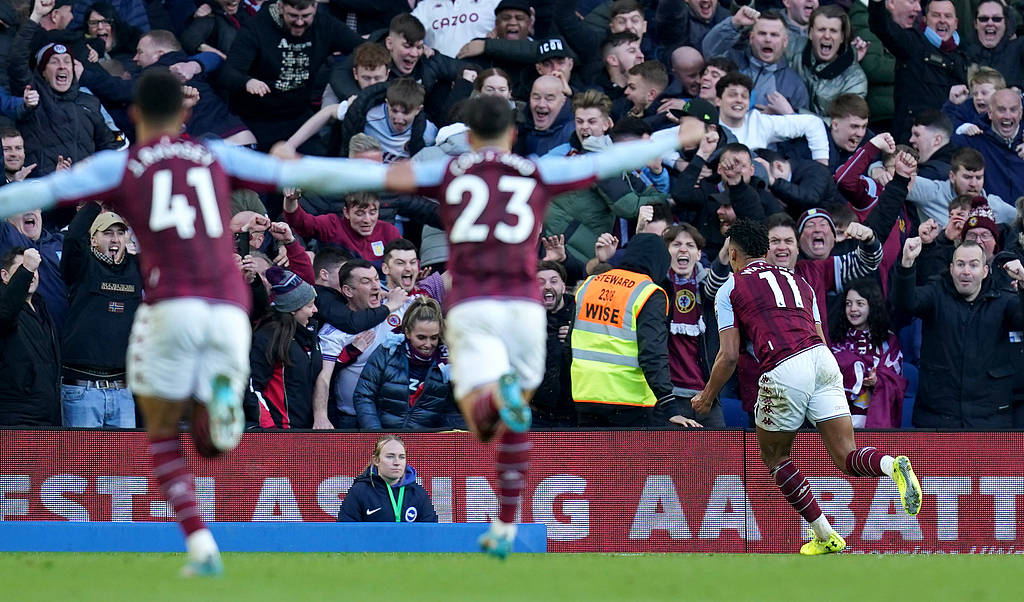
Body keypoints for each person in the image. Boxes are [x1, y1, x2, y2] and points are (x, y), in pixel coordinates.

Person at [0, 69, 400, 576]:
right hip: (230, 306)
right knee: (214, 419)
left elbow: (29, 195)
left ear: (137, 115)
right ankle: (225, 403)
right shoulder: (217, 155)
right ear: (186, 113)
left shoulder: (120, 164)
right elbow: (310, 176)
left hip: (174, 306)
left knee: (162, 428)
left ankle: (198, 537)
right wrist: (378, 174)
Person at [384, 94, 705, 556]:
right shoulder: (536, 173)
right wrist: (681, 135)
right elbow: (612, 161)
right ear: (513, 136)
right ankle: (516, 521)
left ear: (469, 138)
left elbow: (384, 187)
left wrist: (295, 170)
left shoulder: (450, 174)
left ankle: (503, 508)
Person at [692, 219, 922, 555]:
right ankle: (890, 465)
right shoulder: (801, 282)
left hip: (786, 366)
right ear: (766, 250)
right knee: (847, 457)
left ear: (733, 254)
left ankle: (825, 533)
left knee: (775, 456)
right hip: (823, 360)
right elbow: (819, 334)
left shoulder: (730, 287)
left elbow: (728, 355)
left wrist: (707, 395)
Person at [572, 233, 701, 428]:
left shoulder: (589, 285)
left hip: (585, 396)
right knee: (631, 460)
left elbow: (568, 347)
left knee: (595, 459)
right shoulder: (649, 292)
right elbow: (653, 353)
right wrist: (669, 407)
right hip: (629, 400)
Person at [895, 236, 1024, 428]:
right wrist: (907, 263)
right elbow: (906, 305)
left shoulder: (1003, 299)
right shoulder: (936, 291)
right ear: (951, 269)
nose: (966, 271)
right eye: (960, 264)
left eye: (973, 265)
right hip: (938, 417)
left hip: (991, 419)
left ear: (985, 271)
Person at [59, 205, 141, 427]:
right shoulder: (81, 265)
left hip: (123, 389)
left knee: (123, 462)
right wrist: (94, 202)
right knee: (85, 462)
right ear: (93, 240)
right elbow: (73, 238)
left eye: (120, 233)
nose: (115, 239)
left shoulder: (137, 267)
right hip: (83, 388)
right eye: (107, 233)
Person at [353, 296, 460, 430]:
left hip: (424, 444)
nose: (428, 344)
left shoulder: (448, 364)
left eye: (434, 338)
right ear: (407, 332)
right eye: (421, 337)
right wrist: (378, 436)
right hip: (382, 442)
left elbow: (453, 410)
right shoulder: (388, 351)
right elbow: (364, 395)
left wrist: (438, 440)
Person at [245, 266, 321, 429]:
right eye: (309, 306)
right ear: (292, 310)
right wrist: (271, 429)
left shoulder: (311, 333)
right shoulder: (269, 337)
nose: (315, 310)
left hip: (309, 430)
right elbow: (252, 387)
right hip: (280, 430)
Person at [703, 8, 812, 114]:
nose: (768, 39)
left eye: (774, 35)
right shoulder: (733, 60)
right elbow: (709, 51)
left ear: (785, 42)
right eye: (762, 33)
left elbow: (803, 127)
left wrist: (787, 116)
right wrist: (734, 23)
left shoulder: (794, 84)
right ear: (751, 38)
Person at [830, 278, 906, 428]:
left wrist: (878, 380)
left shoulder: (888, 341)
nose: (853, 309)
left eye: (860, 303)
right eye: (848, 303)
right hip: (842, 425)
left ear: (872, 306)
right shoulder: (836, 342)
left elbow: (897, 381)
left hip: (876, 424)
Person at [0, 247, 61, 426]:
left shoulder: (42, 306)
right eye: (24, 269)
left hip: (47, 416)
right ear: (4, 275)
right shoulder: (5, 306)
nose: (31, 275)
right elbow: (5, 311)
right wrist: (26, 269)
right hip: (15, 418)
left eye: (34, 270)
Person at [337, 435, 438, 522]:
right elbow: (346, 532)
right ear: (376, 460)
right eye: (390, 457)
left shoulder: (418, 492)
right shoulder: (360, 491)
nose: (397, 462)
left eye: (402, 457)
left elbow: (431, 532)